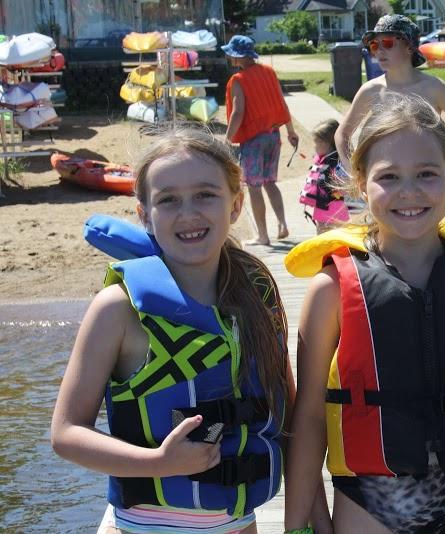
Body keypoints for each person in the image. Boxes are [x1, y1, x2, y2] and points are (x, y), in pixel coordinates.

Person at [284, 93, 445, 533]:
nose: (409, 192)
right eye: (388, 177)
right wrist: (300, 523)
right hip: (367, 512)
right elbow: (309, 419)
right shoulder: (330, 290)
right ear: (360, 182)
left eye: (427, 174)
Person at [50, 129, 296, 534]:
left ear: (236, 205)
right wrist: (158, 463)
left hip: (239, 524)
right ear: (145, 213)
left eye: (205, 195)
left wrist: (303, 520)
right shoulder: (118, 309)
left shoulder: (257, 296)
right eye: (168, 200)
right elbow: (66, 433)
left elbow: (290, 417)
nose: (188, 213)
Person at [334, 15, 445, 189]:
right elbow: (342, 134)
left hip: (424, 182)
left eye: (387, 43)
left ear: (409, 47)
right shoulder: (371, 90)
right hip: (386, 185)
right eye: (374, 45)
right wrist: (354, 174)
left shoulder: (434, 88)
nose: (379, 50)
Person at [223, 34, 299, 245]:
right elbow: (282, 103)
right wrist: (291, 131)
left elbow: (238, 113)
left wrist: (227, 140)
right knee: (270, 183)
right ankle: (282, 224)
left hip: (253, 141)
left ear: (239, 56)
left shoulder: (238, 80)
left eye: (231, 54)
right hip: (273, 136)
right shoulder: (269, 72)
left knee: (254, 186)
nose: (230, 58)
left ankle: (262, 236)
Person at [299, 118, 350, 233]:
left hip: (336, 210)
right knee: (323, 236)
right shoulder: (323, 160)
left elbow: (346, 187)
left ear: (327, 143)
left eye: (317, 142)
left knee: (333, 237)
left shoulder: (338, 163)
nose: (315, 146)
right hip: (322, 208)